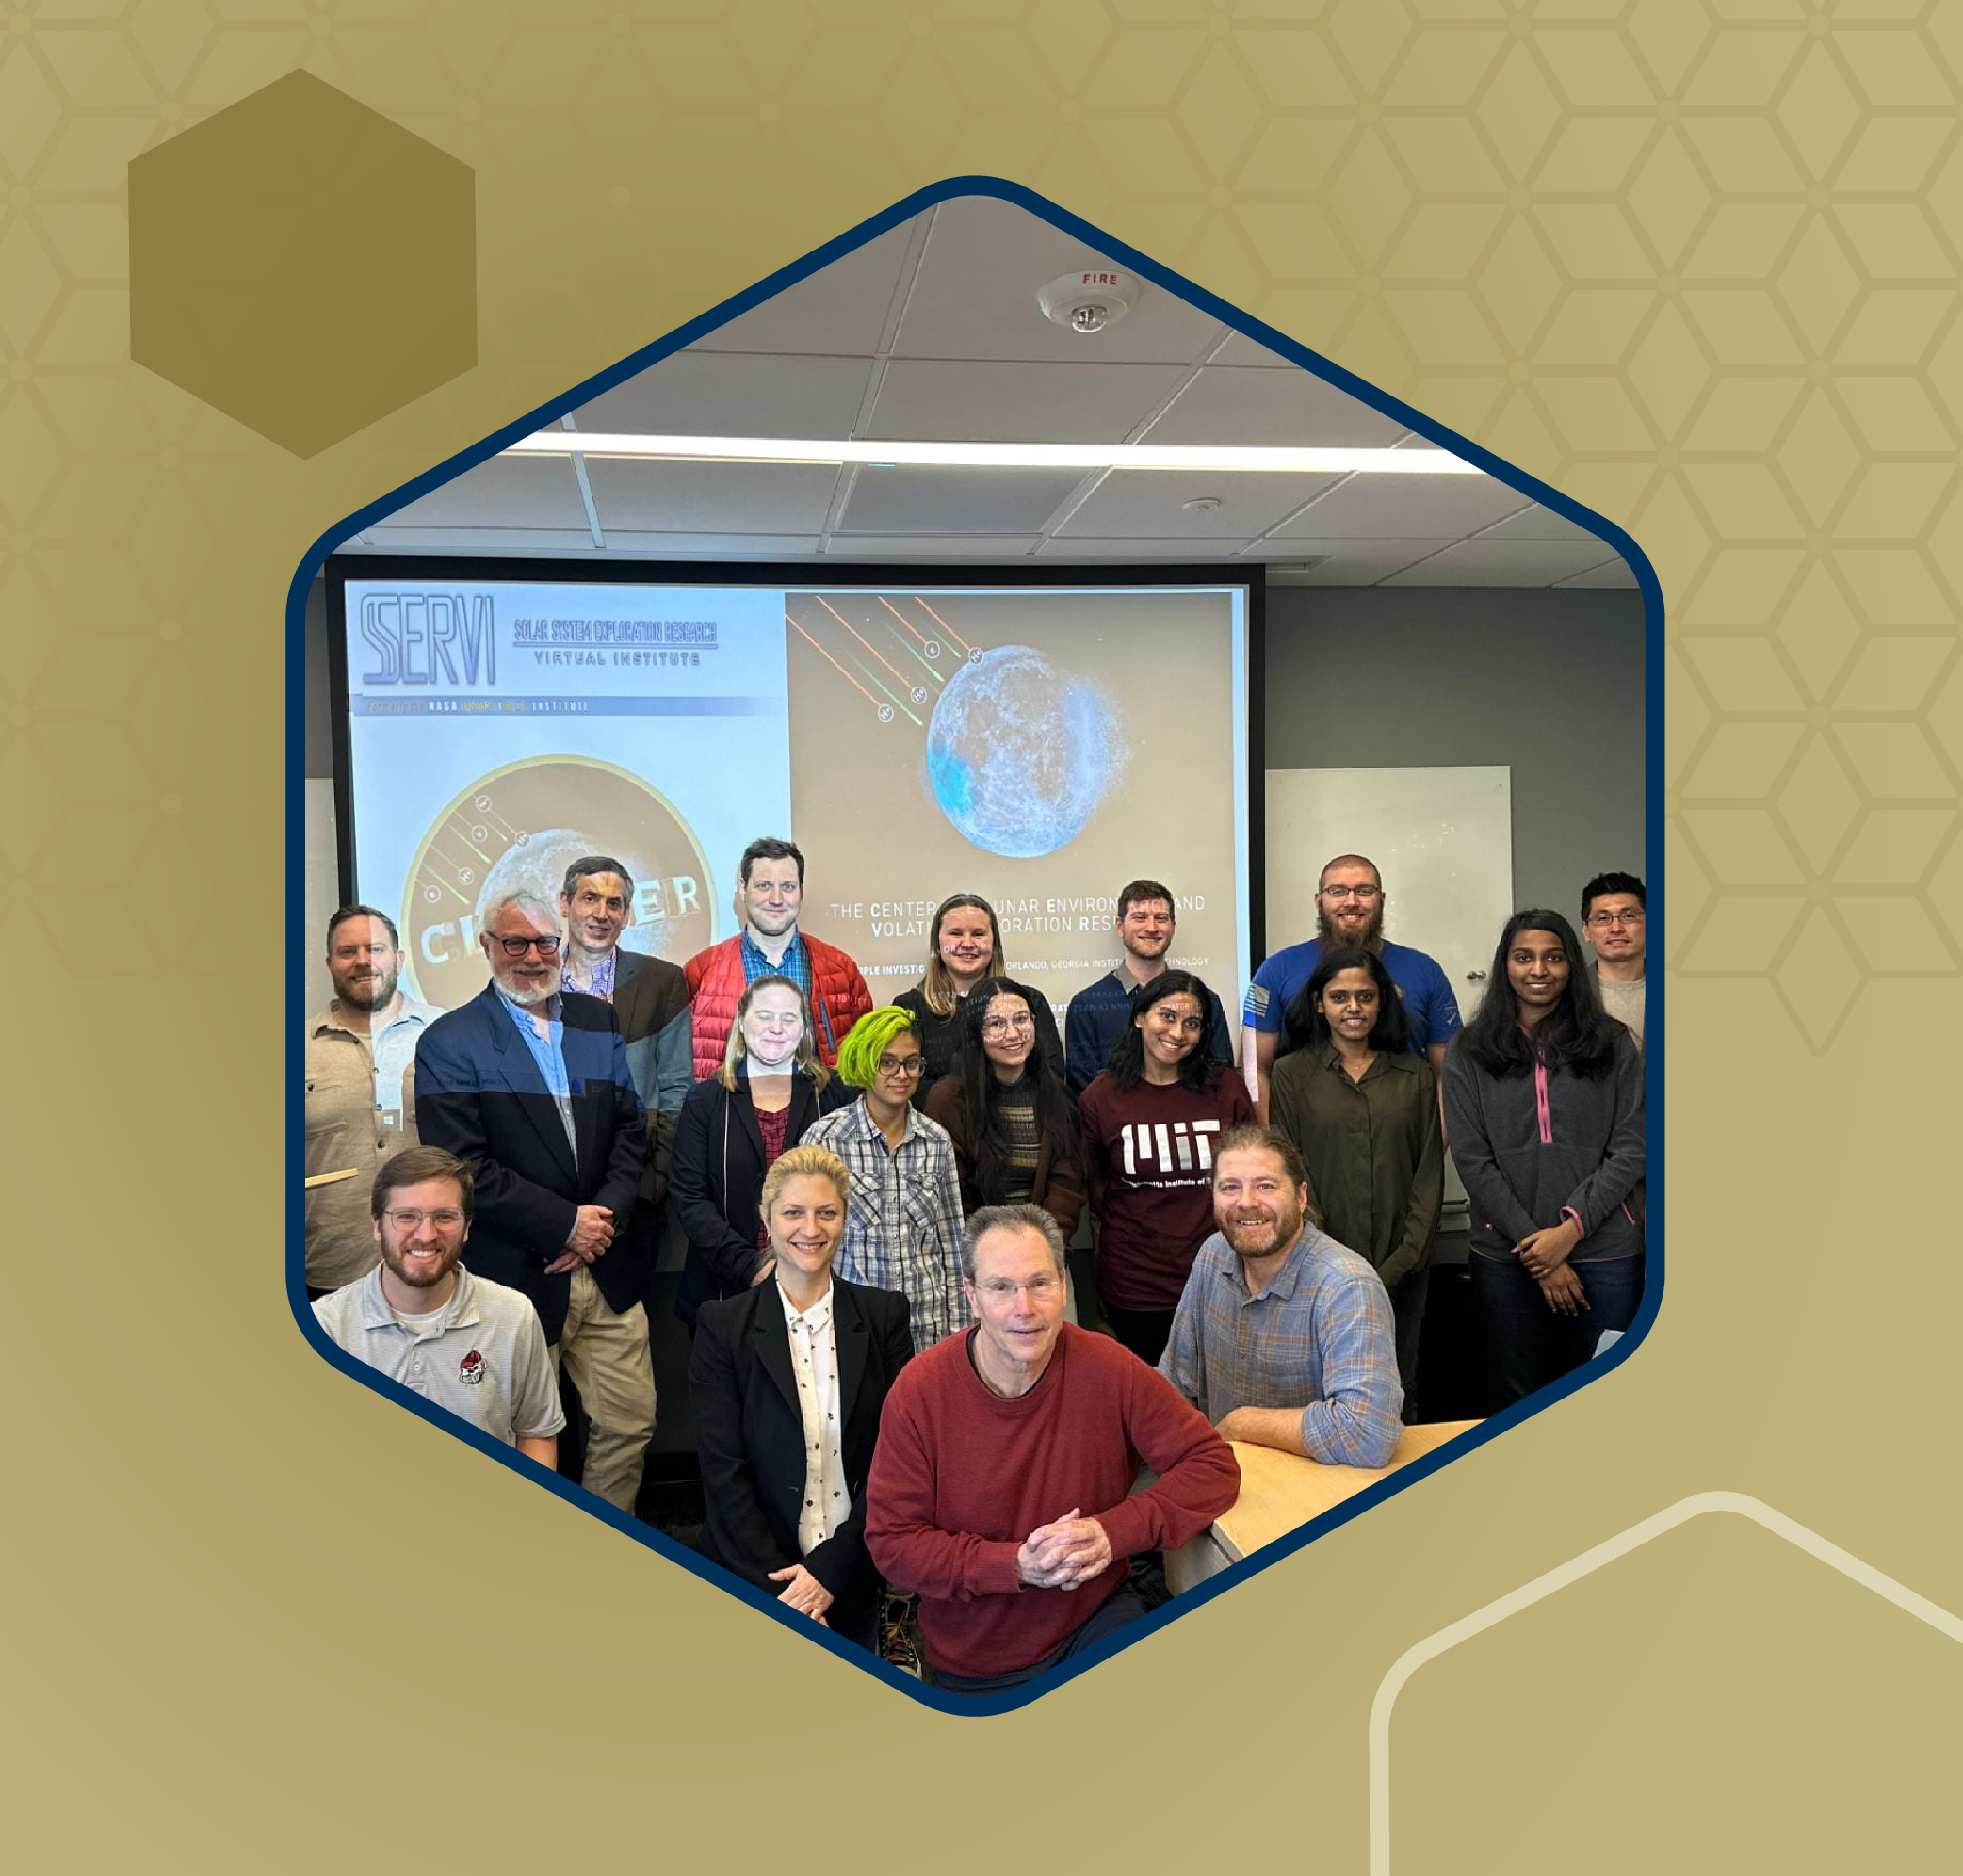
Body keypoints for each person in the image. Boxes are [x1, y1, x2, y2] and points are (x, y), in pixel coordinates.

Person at [864, 1205, 1239, 1695]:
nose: (1026, 1307)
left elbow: (1212, 1466)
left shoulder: (1109, 1367)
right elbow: (893, 1543)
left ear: (1064, 1285)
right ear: (971, 1296)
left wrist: (1113, 1533)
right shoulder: (919, 1392)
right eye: (1001, 1288)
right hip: (976, 1656)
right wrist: (1015, 1564)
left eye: (1040, 1283)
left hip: (1095, 1618)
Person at [414, 890, 655, 1513]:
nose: (531, 955)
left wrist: (599, 1221)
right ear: (487, 946)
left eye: (544, 941)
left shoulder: (596, 1022)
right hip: (517, 1274)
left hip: (607, 1269)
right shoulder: (450, 1041)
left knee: (629, 1426)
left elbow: (630, 1130)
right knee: (519, 1441)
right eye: (514, 942)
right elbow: (464, 1169)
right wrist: (564, 1226)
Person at [689, 1145, 913, 1652]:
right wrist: (790, 1594)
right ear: (767, 1220)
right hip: (751, 1578)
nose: (810, 1229)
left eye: (826, 1212)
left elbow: (895, 1465)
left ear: (844, 1218)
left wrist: (828, 1574)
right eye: (793, 1212)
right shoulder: (722, 1327)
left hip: (849, 1574)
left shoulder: (884, 1319)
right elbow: (724, 1473)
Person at [1443, 910, 1646, 1408]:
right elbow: (1472, 1159)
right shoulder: (1469, 1050)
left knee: (1603, 1398)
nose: (1539, 969)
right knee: (1516, 1398)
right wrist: (1540, 1252)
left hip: (1605, 1252)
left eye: (1553, 958)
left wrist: (1568, 1233)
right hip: (1507, 1256)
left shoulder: (1613, 1042)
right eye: (1523, 957)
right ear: (1505, 965)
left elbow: (1632, 1146)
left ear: (1572, 965)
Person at [1160, 1126, 1403, 1467]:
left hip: (1320, 1499)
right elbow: (1174, 1382)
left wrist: (1242, 1424)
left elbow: (1368, 1433)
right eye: (1230, 1187)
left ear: (1301, 1197)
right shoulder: (1212, 1256)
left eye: (1265, 1186)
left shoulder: (1347, 1287)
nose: (1246, 1202)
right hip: (1227, 1482)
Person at [1269, 946, 1442, 1415]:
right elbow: (1290, 1174)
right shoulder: (1290, 1074)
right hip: (1317, 1267)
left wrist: (1400, 1261)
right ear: (1319, 1004)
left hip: (1401, 1267)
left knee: (1396, 1387)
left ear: (1381, 1002)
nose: (1353, 1008)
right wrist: (1338, 1265)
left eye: (1365, 996)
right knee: (1322, 1391)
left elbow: (1428, 1174)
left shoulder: (1416, 1075)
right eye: (1339, 996)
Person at [312, 1146, 564, 1464]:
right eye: (406, 1217)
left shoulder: (513, 1316)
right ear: (376, 1226)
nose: (426, 1234)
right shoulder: (323, 1327)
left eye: (444, 1217)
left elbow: (537, 1434)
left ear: (467, 1227)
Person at [1079, 970, 1255, 1366]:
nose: (1178, 1032)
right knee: (1151, 1408)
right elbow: (1096, 1188)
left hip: (1220, 1278)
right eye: (1167, 1016)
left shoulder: (1225, 1089)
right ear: (1140, 1017)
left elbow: (1252, 1174)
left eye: (1192, 1023)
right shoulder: (1101, 1098)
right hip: (1137, 1286)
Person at [669, 975, 852, 1329]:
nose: (776, 1028)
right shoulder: (706, 1101)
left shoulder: (832, 1096)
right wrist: (751, 1266)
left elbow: (844, 1193)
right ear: (741, 1022)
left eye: (789, 1018)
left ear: (804, 1031)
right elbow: (689, 1198)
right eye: (764, 1015)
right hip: (723, 1289)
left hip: (818, 1284)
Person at [559, 854, 693, 1304]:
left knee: (629, 1332)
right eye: (589, 899)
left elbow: (677, 1087)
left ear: (627, 915)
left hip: (636, 1194)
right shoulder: (535, 981)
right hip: (553, 1198)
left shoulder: (661, 982)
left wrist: (655, 1180)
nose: (601, 914)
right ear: (565, 903)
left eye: (614, 904)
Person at [1241, 853, 1462, 1123]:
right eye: (1338, 891)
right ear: (1319, 900)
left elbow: (1449, 1074)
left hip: (1402, 1136)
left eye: (1364, 891)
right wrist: (1276, 1150)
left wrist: (1434, 1146)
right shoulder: (1274, 972)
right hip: (1302, 1136)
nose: (1351, 901)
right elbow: (1253, 1070)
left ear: (1381, 899)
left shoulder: (1426, 971)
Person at [802, 1008, 967, 1355]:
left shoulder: (936, 1140)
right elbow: (807, 1243)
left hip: (926, 1328)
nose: (902, 1074)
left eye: (911, 1063)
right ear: (864, 1063)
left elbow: (952, 1244)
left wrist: (959, 1333)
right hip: (851, 1329)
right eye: (887, 1062)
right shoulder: (826, 1138)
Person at [303, 905, 443, 1300]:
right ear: (330, 964)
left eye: (375, 949)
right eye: (348, 952)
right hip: (331, 1275)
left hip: (435, 1267)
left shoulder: (448, 1034)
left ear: (398, 959)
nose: (363, 961)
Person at [684, 836, 871, 1078]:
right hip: (729, 1113)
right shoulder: (700, 973)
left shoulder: (841, 970)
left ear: (801, 891)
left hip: (819, 1112)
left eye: (788, 887)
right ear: (743, 888)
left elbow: (866, 1062)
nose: (776, 898)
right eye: (763, 886)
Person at [923, 976, 1084, 1243]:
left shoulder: (1058, 1095)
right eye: (996, 1024)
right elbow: (952, 1195)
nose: (1012, 1034)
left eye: (1021, 1019)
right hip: (977, 1256)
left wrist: (1043, 1246)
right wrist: (996, 1252)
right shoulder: (947, 1100)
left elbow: (1067, 1187)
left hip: (1045, 1249)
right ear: (976, 1033)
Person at [892, 893, 1064, 1107]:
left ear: (994, 943)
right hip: (939, 1129)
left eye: (978, 934)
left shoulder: (1030, 1001)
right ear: (937, 944)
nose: (967, 943)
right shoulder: (909, 1008)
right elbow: (907, 1081)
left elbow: (1052, 1075)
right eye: (955, 933)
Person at [1064, 879, 1233, 1094]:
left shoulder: (1206, 1001)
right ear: (1119, 926)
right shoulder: (1087, 1006)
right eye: (1140, 918)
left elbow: (1221, 1077)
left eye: (1161, 919)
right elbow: (1085, 1094)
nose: (1151, 928)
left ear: (1172, 927)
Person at [1580, 870, 1646, 1047]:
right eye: (1603, 918)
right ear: (1586, 931)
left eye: (1628, 916)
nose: (1616, 928)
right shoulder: (1569, 992)